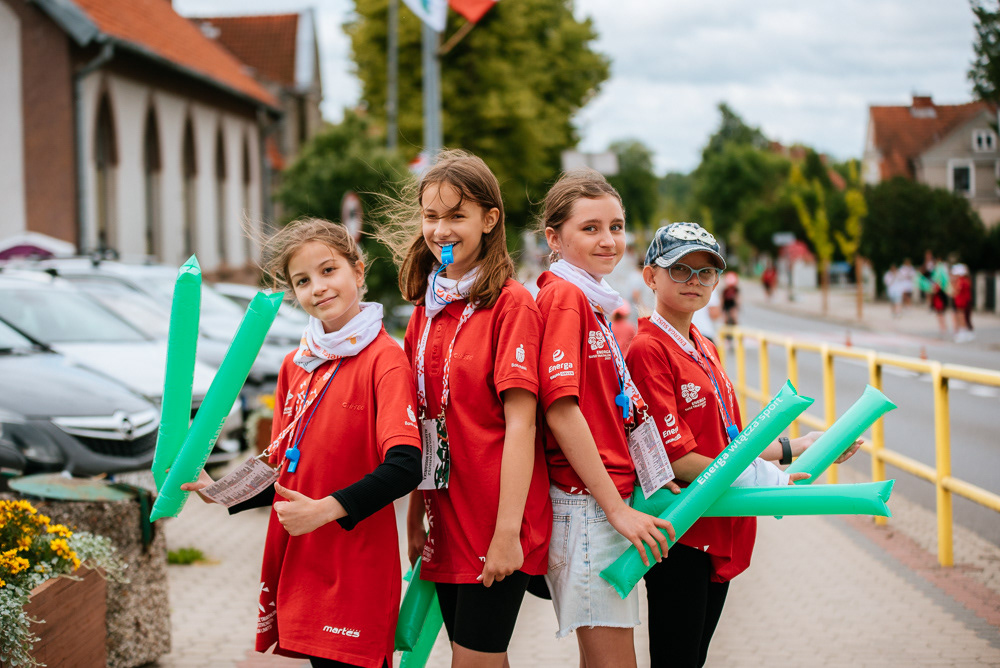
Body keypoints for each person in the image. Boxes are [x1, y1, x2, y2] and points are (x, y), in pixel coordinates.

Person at [183, 218, 423, 668]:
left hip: (356, 564)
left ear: (358, 270)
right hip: (302, 558)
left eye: (328, 270)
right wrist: (221, 491)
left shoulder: (385, 359)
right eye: (303, 281)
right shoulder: (297, 364)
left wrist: (325, 510)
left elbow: (407, 466)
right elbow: (283, 470)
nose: (318, 287)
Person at [626, 222, 862, 668]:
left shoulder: (702, 345)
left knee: (693, 658)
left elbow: (730, 442)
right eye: (680, 269)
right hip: (682, 530)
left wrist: (798, 446)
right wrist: (768, 480)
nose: (694, 281)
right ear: (650, 276)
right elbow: (677, 460)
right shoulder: (647, 350)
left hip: (718, 521)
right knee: (677, 660)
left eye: (706, 271)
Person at [387, 150, 552, 667]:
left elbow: (522, 424)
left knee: (474, 659)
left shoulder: (511, 303)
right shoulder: (426, 308)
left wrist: (506, 534)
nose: (441, 230)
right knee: (480, 659)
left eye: (457, 215)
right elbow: (424, 424)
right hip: (445, 518)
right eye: (431, 216)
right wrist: (416, 515)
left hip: (496, 521)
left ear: (489, 219)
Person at [534, 169, 679, 668]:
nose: (608, 240)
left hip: (598, 504)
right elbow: (560, 409)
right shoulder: (564, 297)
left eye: (616, 227)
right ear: (554, 238)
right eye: (590, 228)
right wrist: (616, 511)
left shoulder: (591, 299)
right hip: (588, 508)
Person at [951, 263, 974, 342]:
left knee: (962, 318)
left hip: (962, 302)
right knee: (960, 317)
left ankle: (963, 333)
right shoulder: (963, 280)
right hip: (960, 302)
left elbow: (956, 291)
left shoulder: (961, 281)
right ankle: (962, 332)